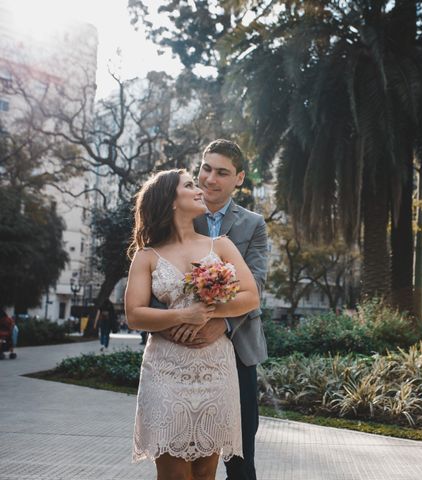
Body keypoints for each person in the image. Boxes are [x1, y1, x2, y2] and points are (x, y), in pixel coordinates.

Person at [125, 168, 260, 480]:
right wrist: (182, 315)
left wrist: (209, 312)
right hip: (166, 371)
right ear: (171, 201)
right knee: (174, 475)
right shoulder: (147, 257)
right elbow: (134, 314)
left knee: (204, 474)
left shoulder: (221, 246)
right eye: (189, 185)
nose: (199, 189)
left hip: (215, 371)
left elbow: (251, 297)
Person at [156, 139, 268, 480]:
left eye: (222, 172)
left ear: (239, 178)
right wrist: (178, 323)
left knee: (240, 457)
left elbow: (256, 286)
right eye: (205, 169)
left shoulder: (253, 225)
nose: (210, 179)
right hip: (181, 347)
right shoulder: (181, 212)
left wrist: (222, 323)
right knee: (184, 455)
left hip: (239, 350)